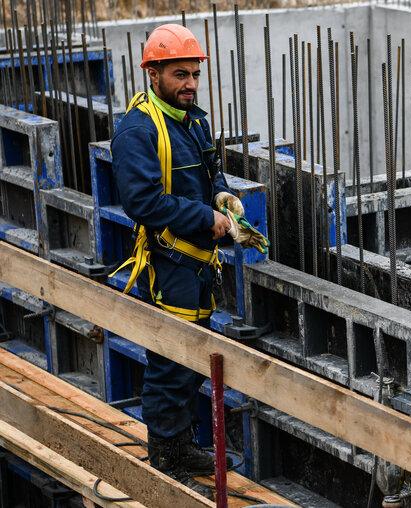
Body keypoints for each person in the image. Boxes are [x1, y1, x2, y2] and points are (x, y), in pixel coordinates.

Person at [110, 24, 266, 499]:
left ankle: (181, 445)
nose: (190, 84)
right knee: (170, 362)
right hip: (168, 264)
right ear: (153, 73)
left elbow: (209, 171)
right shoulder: (137, 130)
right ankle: (164, 454)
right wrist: (205, 217)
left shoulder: (194, 120)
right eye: (180, 75)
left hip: (199, 264)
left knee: (193, 358)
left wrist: (221, 193)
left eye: (194, 75)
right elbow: (142, 202)